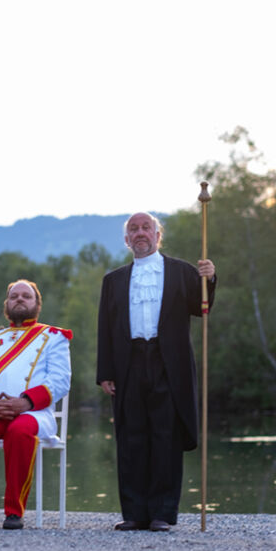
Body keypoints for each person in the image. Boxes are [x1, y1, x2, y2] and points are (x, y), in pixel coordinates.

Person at [96, 211, 216, 532]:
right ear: (126, 240)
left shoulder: (182, 272)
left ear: (157, 235)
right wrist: (105, 372)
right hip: (128, 362)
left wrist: (209, 278)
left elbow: (201, 308)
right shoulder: (114, 280)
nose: (140, 233)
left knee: (166, 437)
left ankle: (163, 513)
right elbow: (105, 329)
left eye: (146, 228)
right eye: (133, 229)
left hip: (168, 363)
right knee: (131, 436)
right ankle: (135, 513)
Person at [0, 279, 72, 530]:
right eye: (14, 296)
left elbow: (60, 381)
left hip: (35, 413)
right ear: (6, 304)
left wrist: (26, 402)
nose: (20, 299)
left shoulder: (53, 337)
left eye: (26, 296)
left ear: (36, 304)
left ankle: (14, 511)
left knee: (19, 431)